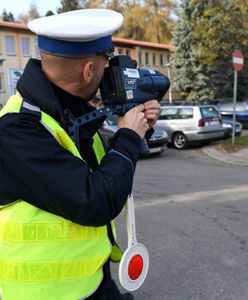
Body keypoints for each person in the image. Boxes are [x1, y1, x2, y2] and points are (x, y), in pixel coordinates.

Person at [0, 9, 161, 300]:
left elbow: (106, 172)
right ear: (89, 70)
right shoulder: (17, 128)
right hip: (43, 293)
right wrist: (128, 136)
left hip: (93, 281)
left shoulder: (65, 114)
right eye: (106, 62)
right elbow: (95, 199)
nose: (110, 71)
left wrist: (139, 130)